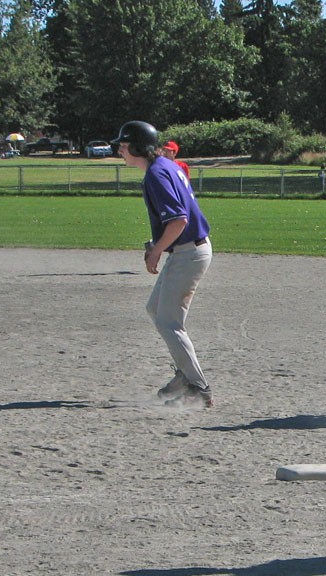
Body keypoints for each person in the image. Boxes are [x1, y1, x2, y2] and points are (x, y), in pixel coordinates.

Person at [112, 121, 214, 408]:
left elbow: (179, 220)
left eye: (123, 145)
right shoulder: (165, 166)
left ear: (137, 147)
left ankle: (198, 386)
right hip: (188, 249)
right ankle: (184, 376)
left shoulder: (156, 174)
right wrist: (160, 244)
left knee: (170, 323)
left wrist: (156, 251)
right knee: (155, 309)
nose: (120, 151)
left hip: (188, 253)